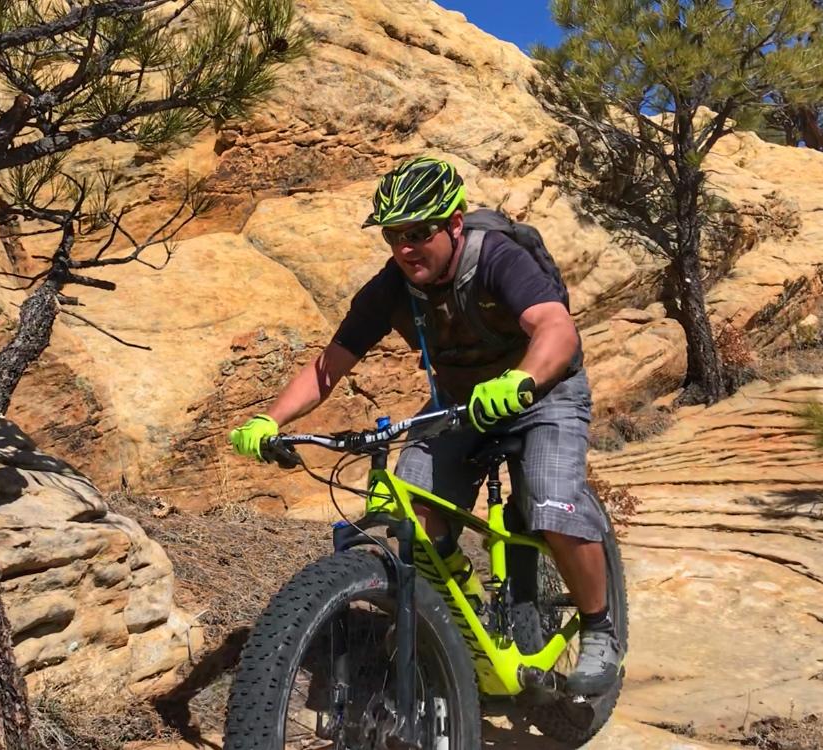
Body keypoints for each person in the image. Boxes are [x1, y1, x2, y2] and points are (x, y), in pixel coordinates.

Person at [228, 156, 620, 696]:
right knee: (405, 511)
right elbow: (330, 364)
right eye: (394, 236)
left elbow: (555, 326)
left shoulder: (496, 258)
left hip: (542, 395)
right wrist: (268, 419)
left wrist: (521, 381)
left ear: (454, 223)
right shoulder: (393, 286)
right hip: (462, 406)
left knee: (552, 502)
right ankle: (455, 618)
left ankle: (600, 629)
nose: (405, 248)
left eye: (418, 232)